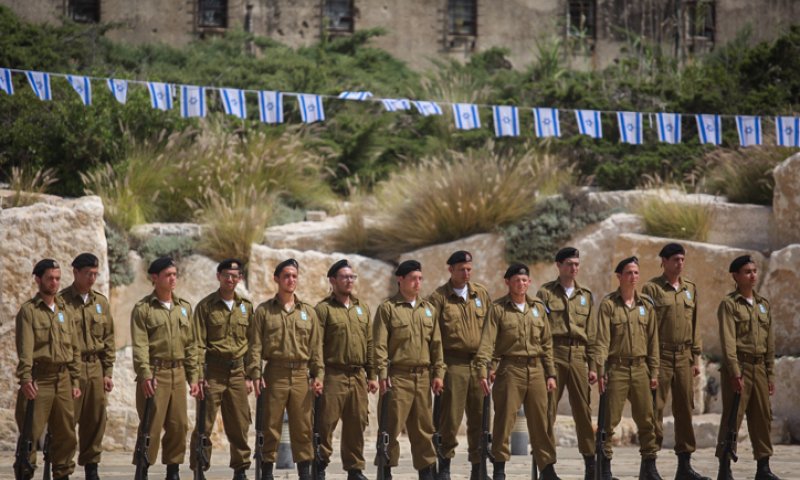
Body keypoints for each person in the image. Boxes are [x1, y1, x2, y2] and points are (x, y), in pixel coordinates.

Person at [475, 263, 561, 480]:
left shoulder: (538, 308)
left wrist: (551, 374)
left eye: (524, 280)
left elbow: (547, 343)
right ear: (508, 283)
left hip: (536, 370)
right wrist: (483, 371)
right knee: (504, 421)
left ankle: (547, 469)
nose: (521, 284)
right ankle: (499, 470)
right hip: (510, 369)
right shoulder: (498, 309)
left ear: (529, 282)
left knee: (541, 422)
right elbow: (487, 343)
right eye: (516, 280)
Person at [247, 258, 324, 480]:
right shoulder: (264, 311)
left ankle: (305, 473)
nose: (291, 280)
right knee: (270, 426)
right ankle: (267, 472)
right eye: (287, 276)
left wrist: (318, 374)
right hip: (275, 374)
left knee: (303, 427)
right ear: (277, 279)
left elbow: (316, 347)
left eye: (294, 276)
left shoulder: (308, 312)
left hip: (301, 375)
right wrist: (255, 373)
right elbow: (255, 346)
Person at [641, 243, 709, 480]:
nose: (680, 263)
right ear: (664, 261)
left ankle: (685, 466)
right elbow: (646, 327)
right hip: (660, 357)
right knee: (654, 412)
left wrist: (695, 357)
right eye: (675, 259)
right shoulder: (652, 289)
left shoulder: (689, 289)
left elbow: (695, 324)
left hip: (683, 357)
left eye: (682, 259)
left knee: (684, 411)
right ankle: (649, 465)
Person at [373, 260, 444, 480]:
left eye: (420, 278)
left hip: (422, 377)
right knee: (390, 428)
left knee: (424, 428)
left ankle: (426, 472)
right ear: (400, 279)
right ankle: (385, 471)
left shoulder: (428, 310)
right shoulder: (388, 309)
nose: (417, 283)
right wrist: (383, 374)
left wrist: (438, 374)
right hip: (398, 377)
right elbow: (380, 345)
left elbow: (436, 345)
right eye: (413, 278)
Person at [130, 256, 201, 480]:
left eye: (174, 274)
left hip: (178, 373)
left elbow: (190, 345)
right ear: (155, 278)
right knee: (151, 424)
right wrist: (145, 375)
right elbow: (140, 345)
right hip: (156, 373)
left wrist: (194, 378)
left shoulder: (183, 308)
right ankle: (143, 469)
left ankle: (173, 470)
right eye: (168, 275)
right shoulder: (143, 309)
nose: (173, 279)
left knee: (179, 424)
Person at [594, 256, 661, 480]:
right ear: (619, 277)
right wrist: (601, 371)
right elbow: (602, 341)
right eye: (629, 273)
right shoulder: (609, 305)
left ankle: (649, 468)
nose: (633, 277)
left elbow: (653, 342)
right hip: (617, 369)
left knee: (647, 421)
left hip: (641, 369)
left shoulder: (646, 306)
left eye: (636, 273)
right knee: (608, 421)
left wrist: (654, 372)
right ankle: (604, 469)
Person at [427, 250, 492, 480]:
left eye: (469, 269)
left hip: (478, 365)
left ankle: (478, 468)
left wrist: (490, 365)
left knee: (480, 419)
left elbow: (490, 332)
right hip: (452, 364)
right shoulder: (438, 298)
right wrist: (437, 370)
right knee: (449, 420)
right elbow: (432, 336)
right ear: (450, 270)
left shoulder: (480, 294)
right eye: (461, 269)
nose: (466, 273)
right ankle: (444, 467)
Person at [15, 259, 82, 480]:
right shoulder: (29, 311)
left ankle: (62, 475)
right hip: (39, 379)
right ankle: (25, 474)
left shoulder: (65, 310)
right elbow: (25, 348)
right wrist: (25, 379)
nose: (54, 283)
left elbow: (74, 348)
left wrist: (74, 380)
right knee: (30, 435)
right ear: (38, 279)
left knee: (66, 435)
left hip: (63, 379)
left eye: (57, 278)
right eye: (49, 278)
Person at [715, 255, 781, 480]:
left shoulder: (763, 305)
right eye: (747, 271)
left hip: (760, 368)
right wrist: (734, 372)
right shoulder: (729, 304)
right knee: (733, 418)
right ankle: (724, 467)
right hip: (740, 368)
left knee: (763, 418)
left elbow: (769, 343)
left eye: (754, 271)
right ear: (735, 276)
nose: (753, 275)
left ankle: (763, 467)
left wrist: (770, 373)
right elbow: (728, 341)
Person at [536, 247, 598, 480]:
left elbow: (591, 333)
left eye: (577, 264)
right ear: (559, 265)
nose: (574, 268)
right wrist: (544, 362)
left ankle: (591, 464)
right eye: (570, 264)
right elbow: (540, 330)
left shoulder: (586, 295)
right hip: (554, 352)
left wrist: (593, 366)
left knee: (583, 412)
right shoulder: (545, 293)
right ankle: (546, 467)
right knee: (547, 412)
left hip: (579, 354)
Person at [189, 259, 254, 480]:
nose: (230, 279)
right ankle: (199, 467)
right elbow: (197, 344)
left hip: (237, 373)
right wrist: (198, 377)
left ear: (240, 278)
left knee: (240, 423)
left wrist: (250, 375)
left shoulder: (246, 307)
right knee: (203, 424)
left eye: (235, 276)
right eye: (226, 275)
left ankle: (241, 469)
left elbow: (252, 345)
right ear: (218, 276)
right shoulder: (205, 307)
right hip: (213, 373)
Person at [314, 259, 377, 480]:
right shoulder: (323, 309)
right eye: (345, 277)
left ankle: (355, 469)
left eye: (352, 277)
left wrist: (372, 375)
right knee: (325, 422)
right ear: (333, 281)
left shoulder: (362, 308)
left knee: (357, 422)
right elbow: (316, 346)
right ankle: (319, 465)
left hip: (358, 375)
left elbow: (370, 343)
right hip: (333, 374)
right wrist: (318, 376)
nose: (349, 281)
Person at [58, 253, 115, 480]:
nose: (92, 278)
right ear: (76, 273)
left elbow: (109, 339)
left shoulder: (100, 302)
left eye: (95, 274)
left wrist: (108, 371)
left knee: (96, 419)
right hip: (72, 368)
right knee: (66, 421)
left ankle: (92, 466)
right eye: (87, 274)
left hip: (95, 368)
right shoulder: (61, 301)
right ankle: (62, 467)